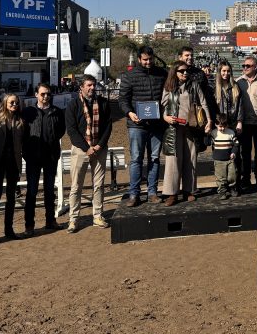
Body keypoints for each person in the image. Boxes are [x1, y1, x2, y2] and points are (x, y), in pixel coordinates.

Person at [119, 45, 167, 207]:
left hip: (157, 125)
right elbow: (123, 100)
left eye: (150, 59)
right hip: (136, 125)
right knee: (136, 159)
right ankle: (134, 194)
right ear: (139, 59)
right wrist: (130, 113)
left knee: (154, 159)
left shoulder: (161, 74)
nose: (148, 62)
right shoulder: (129, 76)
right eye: (145, 60)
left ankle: (152, 192)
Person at [161, 61, 213, 206]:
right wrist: (165, 117)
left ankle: (188, 190)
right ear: (175, 72)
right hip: (174, 128)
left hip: (191, 127)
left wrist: (208, 120)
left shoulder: (194, 85)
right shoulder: (169, 87)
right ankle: (172, 193)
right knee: (173, 160)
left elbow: (203, 103)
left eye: (186, 71)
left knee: (190, 159)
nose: (185, 73)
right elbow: (163, 105)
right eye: (181, 71)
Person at [65, 74, 112, 233]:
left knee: (98, 184)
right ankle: (73, 218)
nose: (92, 88)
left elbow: (108, 126)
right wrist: (87, 148)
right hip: (80, 149)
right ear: (81, 87)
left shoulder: (104, 103)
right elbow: (71, 130)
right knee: (76, 185)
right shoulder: (73, 105)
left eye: (94, 85)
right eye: (89, 85)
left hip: (99, 148)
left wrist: (99, 145)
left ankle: (98, 215)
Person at [22, 84, 66, 235]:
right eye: (42, 94)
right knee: (32, 191)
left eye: (48, 94)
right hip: (33, 158)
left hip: (50, 157)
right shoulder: (28, 112)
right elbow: (23, 133)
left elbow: (61, 131)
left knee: (49, 190)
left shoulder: (57, 112)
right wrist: (27, 152)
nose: (45, 97)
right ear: (36, 95)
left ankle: (50, 220)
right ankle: (29, 225)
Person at [0, 93, 24, 243]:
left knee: (11, 198)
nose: (14, 105)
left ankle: (9, 229)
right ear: (4, 104)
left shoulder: (20, 122)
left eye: (16, 102)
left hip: (13, 163)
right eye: (11, 102)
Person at [236, 55, 257, 190]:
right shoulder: (239, 82)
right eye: (244, 66)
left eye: (248, 66)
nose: (245, 68)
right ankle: (245, 179)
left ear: (255, 67)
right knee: (245, 152)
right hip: (244, 122)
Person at [209, 113, 240, 199]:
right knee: (221, 177)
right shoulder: (214, 133)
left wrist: (233, 152)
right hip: (218, 160)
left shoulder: (231, 132)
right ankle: (222, 191)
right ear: (216, 125)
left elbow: (236, 144)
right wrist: (206, 134)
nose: (222, 128)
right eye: (220, 126)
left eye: (224, 126)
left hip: (230, 160)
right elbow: (207, 143)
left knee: (232, 175)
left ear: (227, 125)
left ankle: (232, 188)